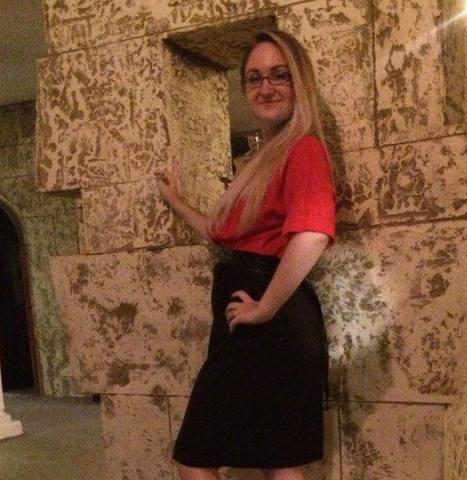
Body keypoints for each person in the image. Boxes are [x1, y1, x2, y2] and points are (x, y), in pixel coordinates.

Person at [155, 30, 336, 480]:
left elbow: (312, 234)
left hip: (271, 321)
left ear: (300, 82)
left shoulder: (304, 148)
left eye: (279, 75)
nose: (265, 87)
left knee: (198, 458)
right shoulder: (263, 159)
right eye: (254, 79)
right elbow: (222, 234)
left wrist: (264, 308)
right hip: (251, 322)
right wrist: (177, 202)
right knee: (277, 461)